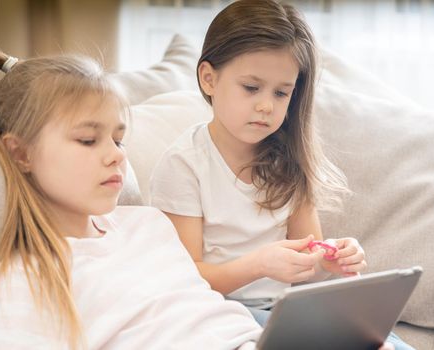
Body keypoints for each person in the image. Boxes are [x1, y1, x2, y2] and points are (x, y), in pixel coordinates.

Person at [149, 1, 413, 349]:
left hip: (285, 309)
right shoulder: (185, 164)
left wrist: (332, 258)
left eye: (281, 92)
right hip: (220, 312)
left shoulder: (289, 159)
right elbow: (185, 279)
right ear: (209, 78)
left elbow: (310, 257)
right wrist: (260, 264)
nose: (266, 106)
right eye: (251, 88)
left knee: (390, 344)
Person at [0, 50, 261, 350]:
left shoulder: (150, 223)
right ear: (21, 153)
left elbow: (203, 313)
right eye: (88, 140)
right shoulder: (31, 276)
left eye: (118, 139)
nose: (118, 155)